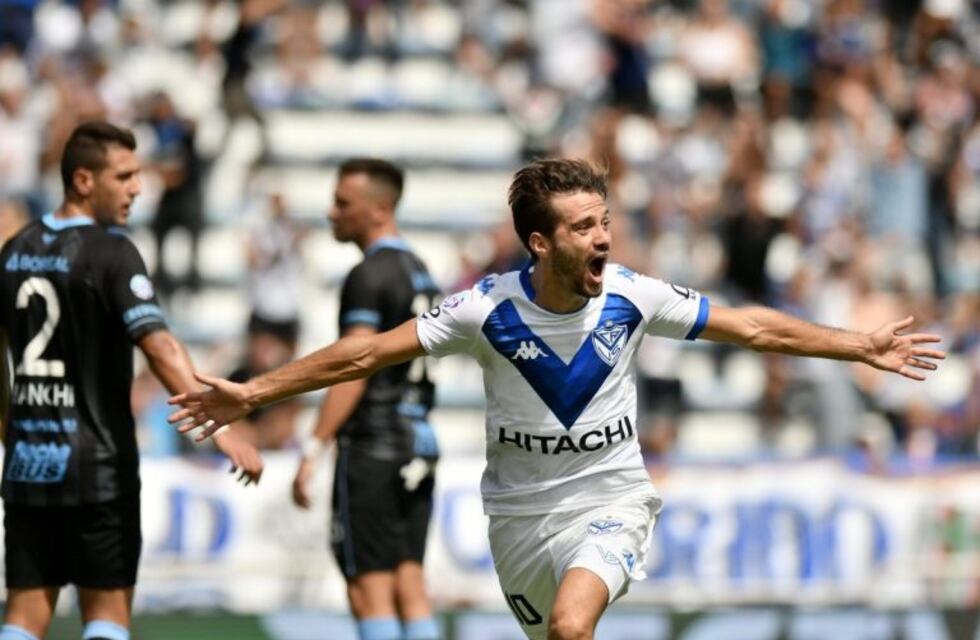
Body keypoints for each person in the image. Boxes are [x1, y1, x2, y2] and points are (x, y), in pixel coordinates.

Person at [169, 159, 945, 640]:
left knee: (575, 626)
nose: (603, 237)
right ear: (540, 244)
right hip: (518, 518)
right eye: (583, 227)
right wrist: (255, 393)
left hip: (610, 498)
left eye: (604, 221)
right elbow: (367, 350)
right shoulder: (487, 308)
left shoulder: (634, 296)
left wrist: (860, 344)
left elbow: (751, 327)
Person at [0, 121, 264, 640]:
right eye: (124, 176)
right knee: (107, 616)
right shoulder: (112, 252)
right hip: (98, 469)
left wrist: (10, 430)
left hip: (29, 465)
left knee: (24, 620)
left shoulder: (13, 252)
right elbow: (160, 344)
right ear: (82, 180)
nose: (137, 188)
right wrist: (222, 428)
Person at [290, 159, 442, 640]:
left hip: (373, 446)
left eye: (343, 203)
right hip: (419, 441)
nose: (331, 212)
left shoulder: (368, 275)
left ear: (379, 210)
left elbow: (354, 366)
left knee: (367, 589)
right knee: (410, 586)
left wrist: (315, 446)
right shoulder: (420, 272)